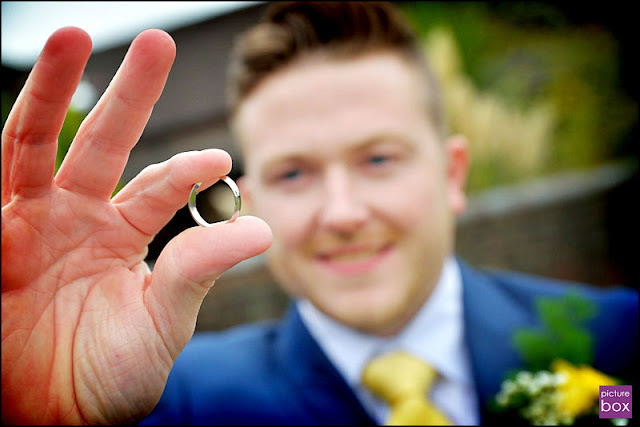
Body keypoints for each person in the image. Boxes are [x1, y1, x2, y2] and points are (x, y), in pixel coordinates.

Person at [1, 2, 636, 425]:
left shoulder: (619, 352)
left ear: (451, 174)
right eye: (294, 173)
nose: (341, 213)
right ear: (253, 199)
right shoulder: (173, 404)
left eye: (380, 159)